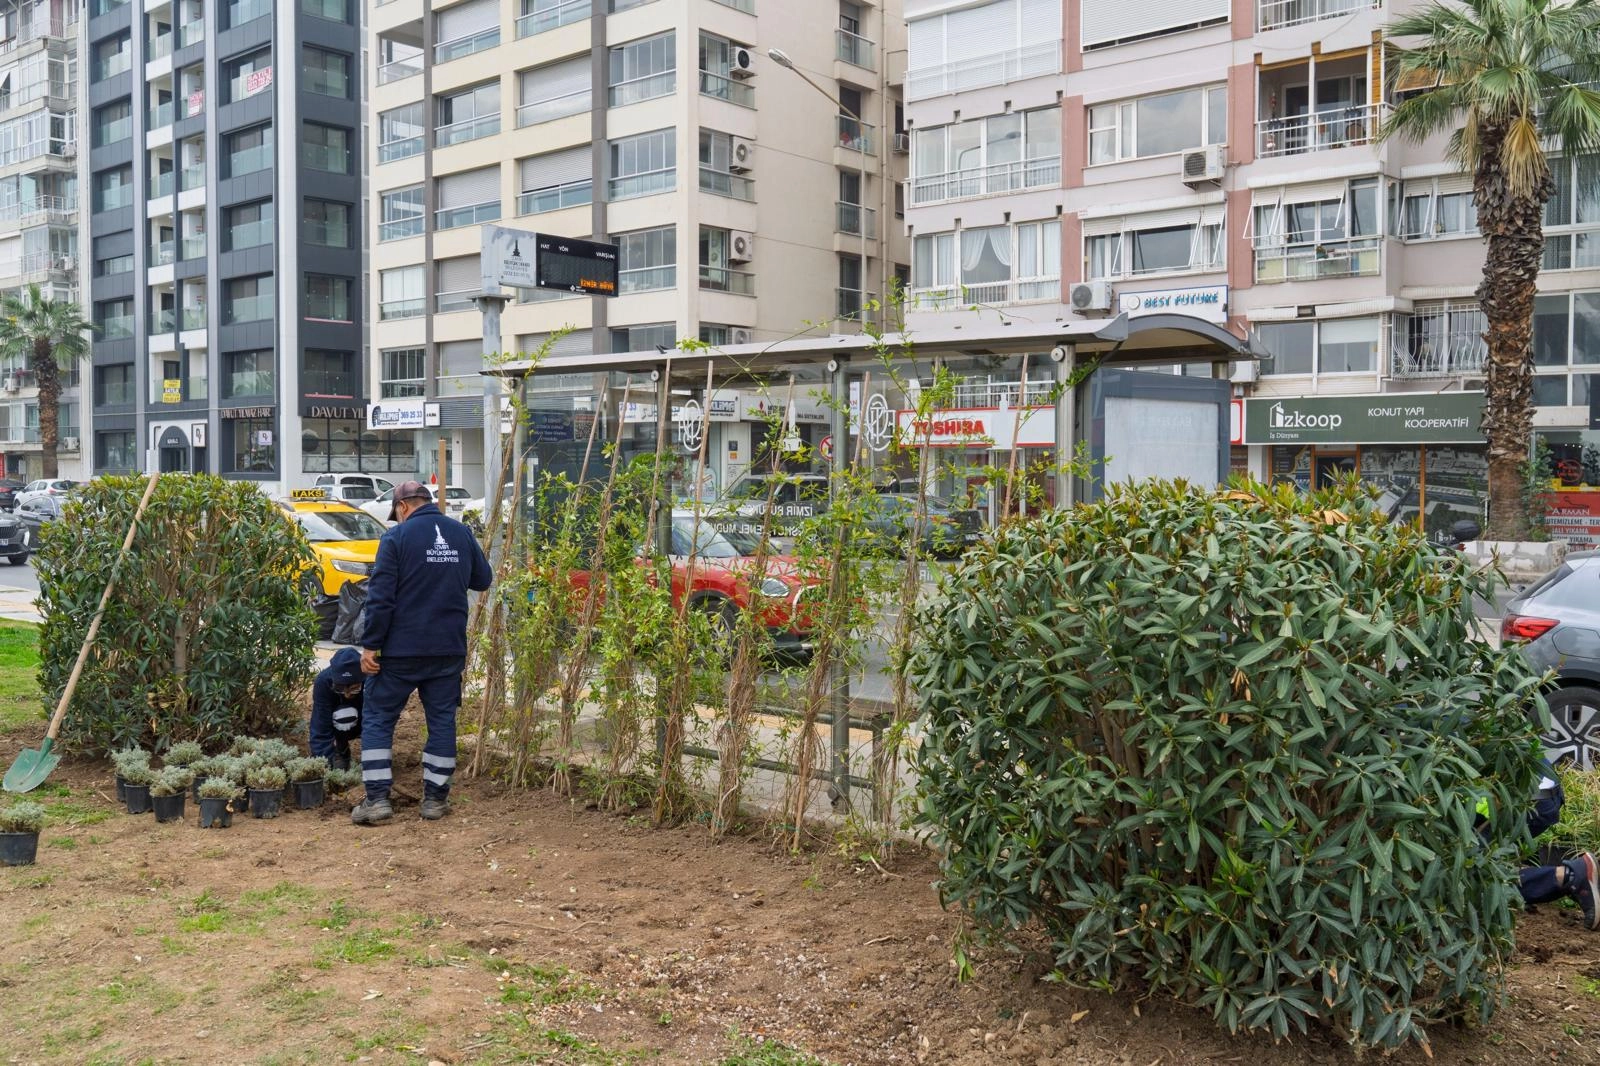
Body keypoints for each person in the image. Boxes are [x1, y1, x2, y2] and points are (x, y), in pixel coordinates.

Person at [352, 480, 492, 826]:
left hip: (400, 652)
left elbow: (380, 599)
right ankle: (435, 801)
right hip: (447, 649)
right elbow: (483, 579)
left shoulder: (396, 539)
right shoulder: (459, 533)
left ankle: (377, 800)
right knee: (442, 719)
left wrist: (371, 646)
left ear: (402, 507)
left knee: (379, 718)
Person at [1515, 766, 1599, 929]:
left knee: (1474, 884)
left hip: (1527, 800)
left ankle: (1571, 877)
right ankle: (1585, 883)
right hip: (1542, 789)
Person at [309, 646, 364, 770]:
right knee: (343, 715)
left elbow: (377, 719)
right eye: (340, 689)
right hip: (338, 721)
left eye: (354, 688)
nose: (347, 694)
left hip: (363, 717)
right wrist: (324, 764)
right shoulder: (323, 682)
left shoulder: (371, 680)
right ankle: (341, 748)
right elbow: (320, 725)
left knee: (350, 714)